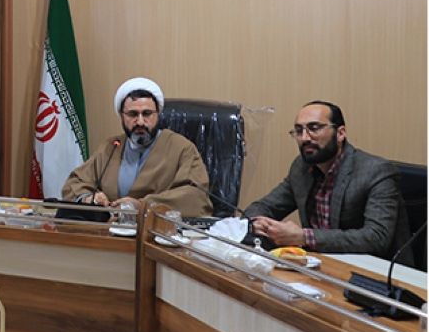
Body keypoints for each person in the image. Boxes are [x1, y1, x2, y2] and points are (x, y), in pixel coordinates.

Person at [244, 101, 411, 263]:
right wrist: (257, 223)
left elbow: (377, 238)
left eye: (314, 128)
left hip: (377, 272)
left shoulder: (376, 171)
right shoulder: (301, 168)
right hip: (322, 264)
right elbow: (264, 206)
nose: (304, 138)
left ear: (340, 133)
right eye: (299, 131)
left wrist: (304, 237)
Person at [62, 77, 212, 216]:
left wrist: (142, 206)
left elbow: (196, 197)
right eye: (133, 114)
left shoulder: (182, 148)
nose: (140, 122)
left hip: (158, 230)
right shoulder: (111, 147)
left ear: (158, 114)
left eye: (147, 114)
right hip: (111, 230)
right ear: (122, 116)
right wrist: (89, 198)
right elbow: (75, 183)